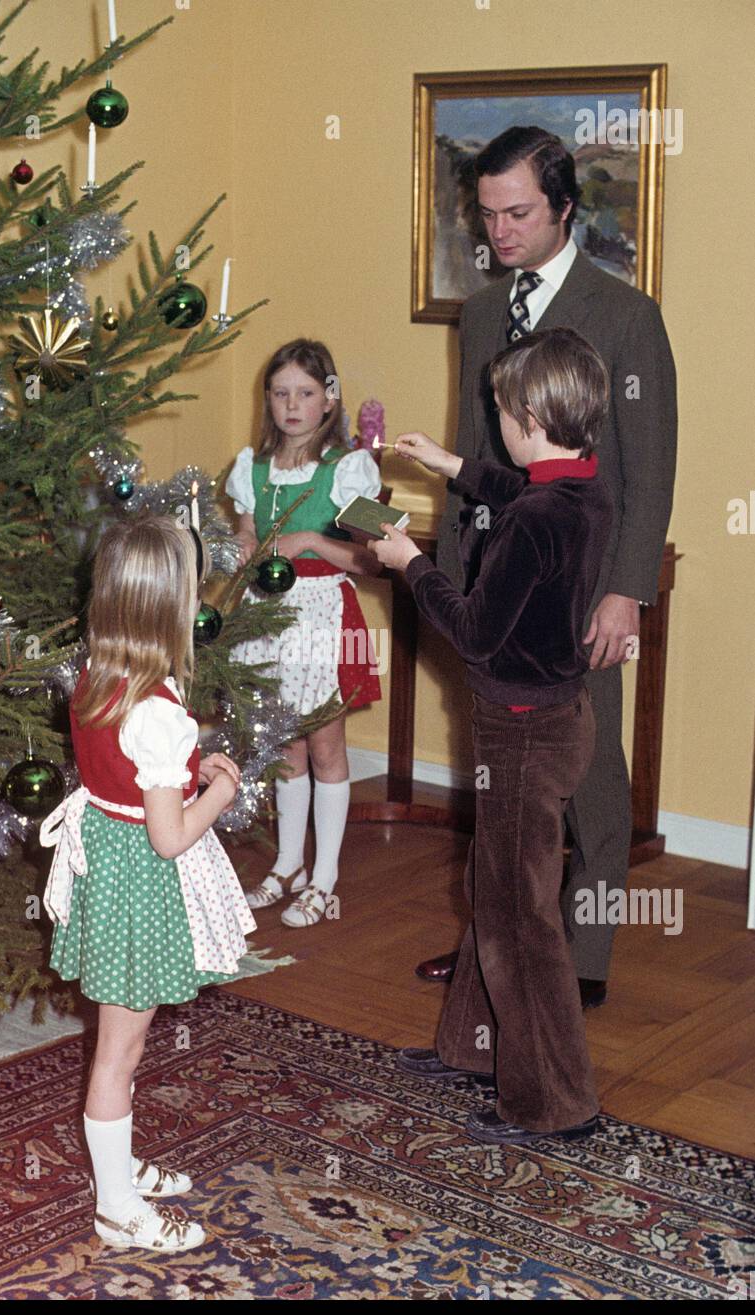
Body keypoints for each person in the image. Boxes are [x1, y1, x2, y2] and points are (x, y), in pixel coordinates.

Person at [415, 124, 677, 1016]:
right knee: (502, 779)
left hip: (579, 587)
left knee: (588, 774)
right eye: (486, 214)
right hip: (493, 585)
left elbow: (649, 469)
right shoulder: (483, 312)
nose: (499, 231)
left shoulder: (626, 317)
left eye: (517, 212)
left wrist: (625, 591)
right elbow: (470, 448)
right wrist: (448, 568)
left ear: (564, 207)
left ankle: (585, 950)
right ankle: (496, 946)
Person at [369, 327, 612, 1142]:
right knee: (497, 886)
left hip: (518, 732)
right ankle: (474, 1045)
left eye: (503, 411)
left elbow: (471, 630)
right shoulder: (582, 491)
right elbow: (525, 493)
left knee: (518, 915)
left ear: (529, 416)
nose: (498, 423)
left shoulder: (534, 521)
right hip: (552, 720)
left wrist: (409, 560)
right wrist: (450, 467)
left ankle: (553, 1101)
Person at [39, 514, 256, 1251]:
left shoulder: (97, 677)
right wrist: (221, 790)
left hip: (108, 862)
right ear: (172, 606)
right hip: (137, 878)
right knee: (119, 1052)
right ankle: (117, 1209)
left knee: (116, 1045)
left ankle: (117, 1168)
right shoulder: (159, 713)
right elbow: (170, 836)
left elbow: (128, 781)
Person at [226, 338, 384, 928]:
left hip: (323, 617)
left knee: (324, 747)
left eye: (306, 393)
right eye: (280, 393)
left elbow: (376, 559)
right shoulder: (253, 469)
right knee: (283, 747)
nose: (291, 405)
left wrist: (315, 541)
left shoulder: (349, 470)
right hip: (266, 617)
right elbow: (246, 532)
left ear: (329, 400)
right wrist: (242, 545)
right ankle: (288, 865)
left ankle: (325, 879)